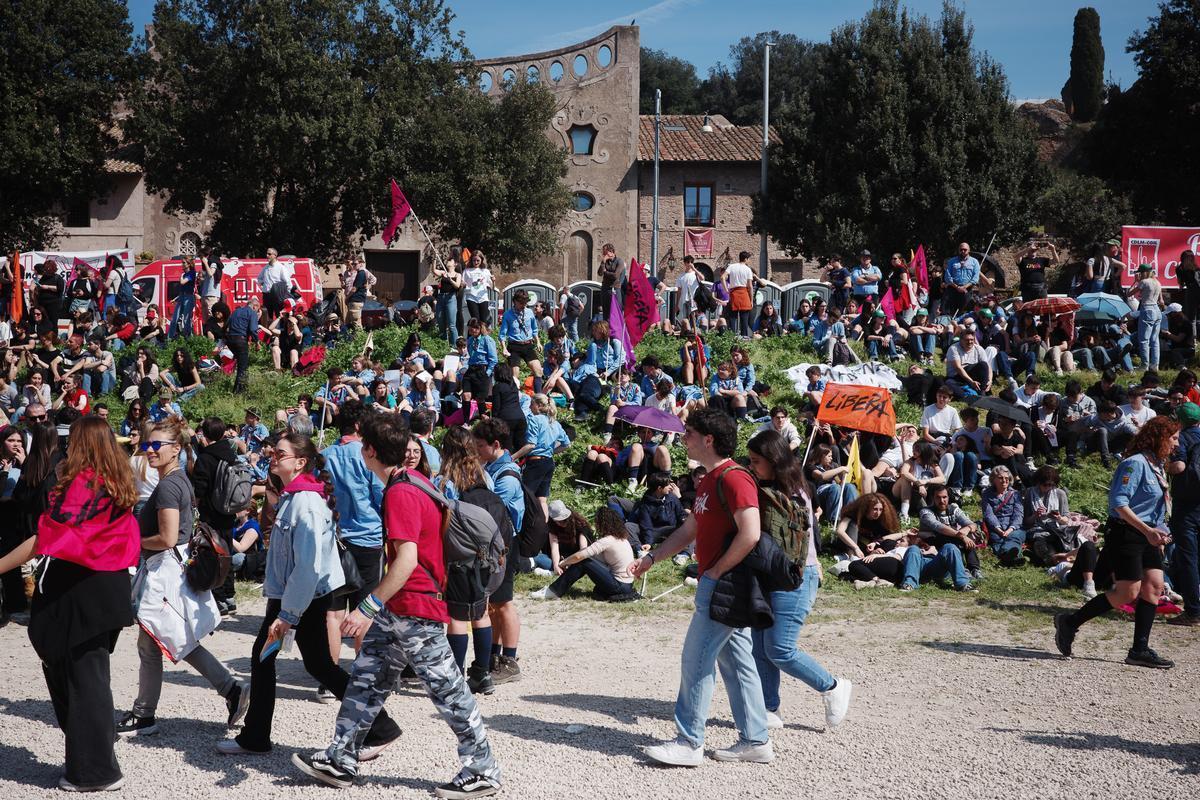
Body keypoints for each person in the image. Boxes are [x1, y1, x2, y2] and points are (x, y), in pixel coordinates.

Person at [292, 414, 503, 798]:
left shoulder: (400, 492)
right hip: (400, 608)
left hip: (416, 608)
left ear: (370, 451)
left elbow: (406, 560)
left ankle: (483, 769)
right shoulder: (413, 481)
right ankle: (342, 758)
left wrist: (367, 607)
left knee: (448, 690)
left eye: (361, 445)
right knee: (366, 679)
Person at [219, 432, 401, 755]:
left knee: (265, 659)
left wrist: (287, 616)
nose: (273, 456)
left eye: (280, 453)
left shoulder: (306, 503)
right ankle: (379, 726)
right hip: (297, 597)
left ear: (300, 462)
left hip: (298, 599)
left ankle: (256, 737)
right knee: (317, 665)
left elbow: (307, 567)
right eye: (273, 452)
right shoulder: (294, 496)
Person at [629, 407, 775, 766]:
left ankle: (689, 742)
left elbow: (751, 533)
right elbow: (689, 530)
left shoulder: (734, 478)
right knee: (738, 663)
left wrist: (714, 573)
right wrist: (651, 559)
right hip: (722, 583)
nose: (683, 438)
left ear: (709, 439)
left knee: (695, 660)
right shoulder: (708, 479)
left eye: (689, 432)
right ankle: (756, 740)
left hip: (724, 584)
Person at [0, 417, 138, 791]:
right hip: (107, 589)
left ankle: (95, 773)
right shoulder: (117, 482)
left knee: (83, 682)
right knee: (89, 678)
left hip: (81, 594)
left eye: (70, 442)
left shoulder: (84, 485)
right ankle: (94, 756)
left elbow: (44, 537)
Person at [116, 419, 248, 738]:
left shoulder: (167, 486)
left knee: (162, 640)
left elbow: (167, 536)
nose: (149, 451)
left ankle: (146, 714)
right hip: (171, 571)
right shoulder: (179, 480)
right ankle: (228, 690)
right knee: (169, 639)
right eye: (147, 445)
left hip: (164, 573)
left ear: (175, 449)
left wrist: (132, 539)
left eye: (156, 445)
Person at [745, 429, 851, 729]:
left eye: (756, 461)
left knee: (780, 648)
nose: (752, 466)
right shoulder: (771, 487)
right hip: (769, 576)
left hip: (796, 577)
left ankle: (831, 686)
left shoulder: (791, 493)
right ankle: (768, 709)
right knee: (760, 646)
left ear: (774, 460)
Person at [1055, 416, 1180, 669]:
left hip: (1148, 534)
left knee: (1154, 587)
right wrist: (1147, 530)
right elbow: (1118, 503)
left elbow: (1156, 505)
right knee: (1127, 592)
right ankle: (1070, 622)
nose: (1176, 444)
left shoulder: (1157, 464)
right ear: (1159, 438)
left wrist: (1160, 531)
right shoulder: (1134, 464)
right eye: (1173, 438)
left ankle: (1139, 649)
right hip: (1127, 533)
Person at [472, 418, 527, 685]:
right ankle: (494, 655)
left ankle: (510, 660)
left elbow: (493, 513)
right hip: (495, 543)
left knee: (504, 604)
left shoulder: (507, 476)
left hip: (504, 544)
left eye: (480, 445)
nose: (476, 450)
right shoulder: (493, 467)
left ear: (496, 445)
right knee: (493, 604)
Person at [529, 507, 637, 601]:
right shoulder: (621, 538)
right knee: (585, 561)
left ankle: (554, 591)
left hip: (620, 585)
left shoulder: (607, 541)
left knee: (583, 561)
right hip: (627, 585)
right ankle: (554, 588)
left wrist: (562, 563)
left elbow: (580, 555)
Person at [511, 393, 570, 522]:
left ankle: (524, 525)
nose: (530, 406)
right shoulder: (554, 423)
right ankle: (543, 528)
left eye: (531, 404)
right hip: (549, 463)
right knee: (542, 499)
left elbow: (531, 445)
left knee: (526, 496)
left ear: (538, 405)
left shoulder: (534, 419)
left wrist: (513, 457)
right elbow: (566, 444)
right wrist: (551, 451)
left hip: (535, 463)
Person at [979, 465, 1027, 567]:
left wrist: (1010, 529)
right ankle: (1011, 558)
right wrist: (999, 530)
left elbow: (1018, 514)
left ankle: (1006, 557)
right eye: (1000, 478)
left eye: (1006, 478)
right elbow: (989, 514)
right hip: (995, 527)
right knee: (997, 539)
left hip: (1014, 527)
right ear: (993, 479)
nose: (1004, 480)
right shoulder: (986, 494)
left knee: (1014, 537)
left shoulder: (1015, 494)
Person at [1132, 262, 1164, 370]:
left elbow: (1129, 294)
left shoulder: (1144, 282)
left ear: (1144, 273)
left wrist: (1136, 281)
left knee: (1144, 339)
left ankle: (1144, 365)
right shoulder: (1157, 282)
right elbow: (1160, 299)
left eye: (1140, 273)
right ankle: (1155, 365)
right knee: (1155, 340)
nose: (1139, 275)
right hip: (1157, 310)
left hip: (1147, 309)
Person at [227, 296, 260, 393]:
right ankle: (239, 392)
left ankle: (240, 388)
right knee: (243, 367)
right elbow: (253, 329)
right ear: (254, 306)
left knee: (240, 364)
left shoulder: (236, 311)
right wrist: (257, 342)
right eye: (257, 309)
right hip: (240, 340)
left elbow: (227, 325)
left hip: (230, 340)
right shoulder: (252, 313)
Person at [432, 251, 464, 344]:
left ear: (455, 264)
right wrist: (435, 257)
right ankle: (443, 345)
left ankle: (454, 345)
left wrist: (451, 280)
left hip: (451, 299)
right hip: (441, 298)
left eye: (450, 260)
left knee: (451, 325)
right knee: (441, 323)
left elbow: (457, 286)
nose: (448, 262)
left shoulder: (457, 275)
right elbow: (434, 270)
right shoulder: (443, 273)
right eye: (448, 260)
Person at [724, 251, 756, 338]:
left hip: (734, 293)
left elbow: (722, 277)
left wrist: (726, 289)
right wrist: (751, 299)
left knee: (732, 318)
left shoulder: (731, 266)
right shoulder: (748, 269)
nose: (749, 261)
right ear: (745, 259)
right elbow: (749, 286)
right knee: (744, 320)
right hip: (744, 293)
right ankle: (744, 338)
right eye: (748, 259)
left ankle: (731, 337)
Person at [942, 243, 980, 314]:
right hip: (952, 289)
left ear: (969, 250)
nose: (963, 251)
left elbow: (975, 278)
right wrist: (957, 287)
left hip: (967, 290)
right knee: (948, 311)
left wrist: (964, 287)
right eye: (961, 249)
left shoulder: (974, 262)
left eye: (965, 250)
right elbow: (947, 276)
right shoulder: (951, 261)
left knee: (965, 312)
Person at [462, 251, 494, 329]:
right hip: (471, 297)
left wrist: (493, 281)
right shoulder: (467, 271)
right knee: (475, 320)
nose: (476, 262)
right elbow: (462, 283)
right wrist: (462, 284)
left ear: (482, 260)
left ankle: (483, 338)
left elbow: (492, 287)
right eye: (474, 260)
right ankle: (474, 338)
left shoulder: (485, 271)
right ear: (471, 260)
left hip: (483, 298)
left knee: (484, 320)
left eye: (478, 260)